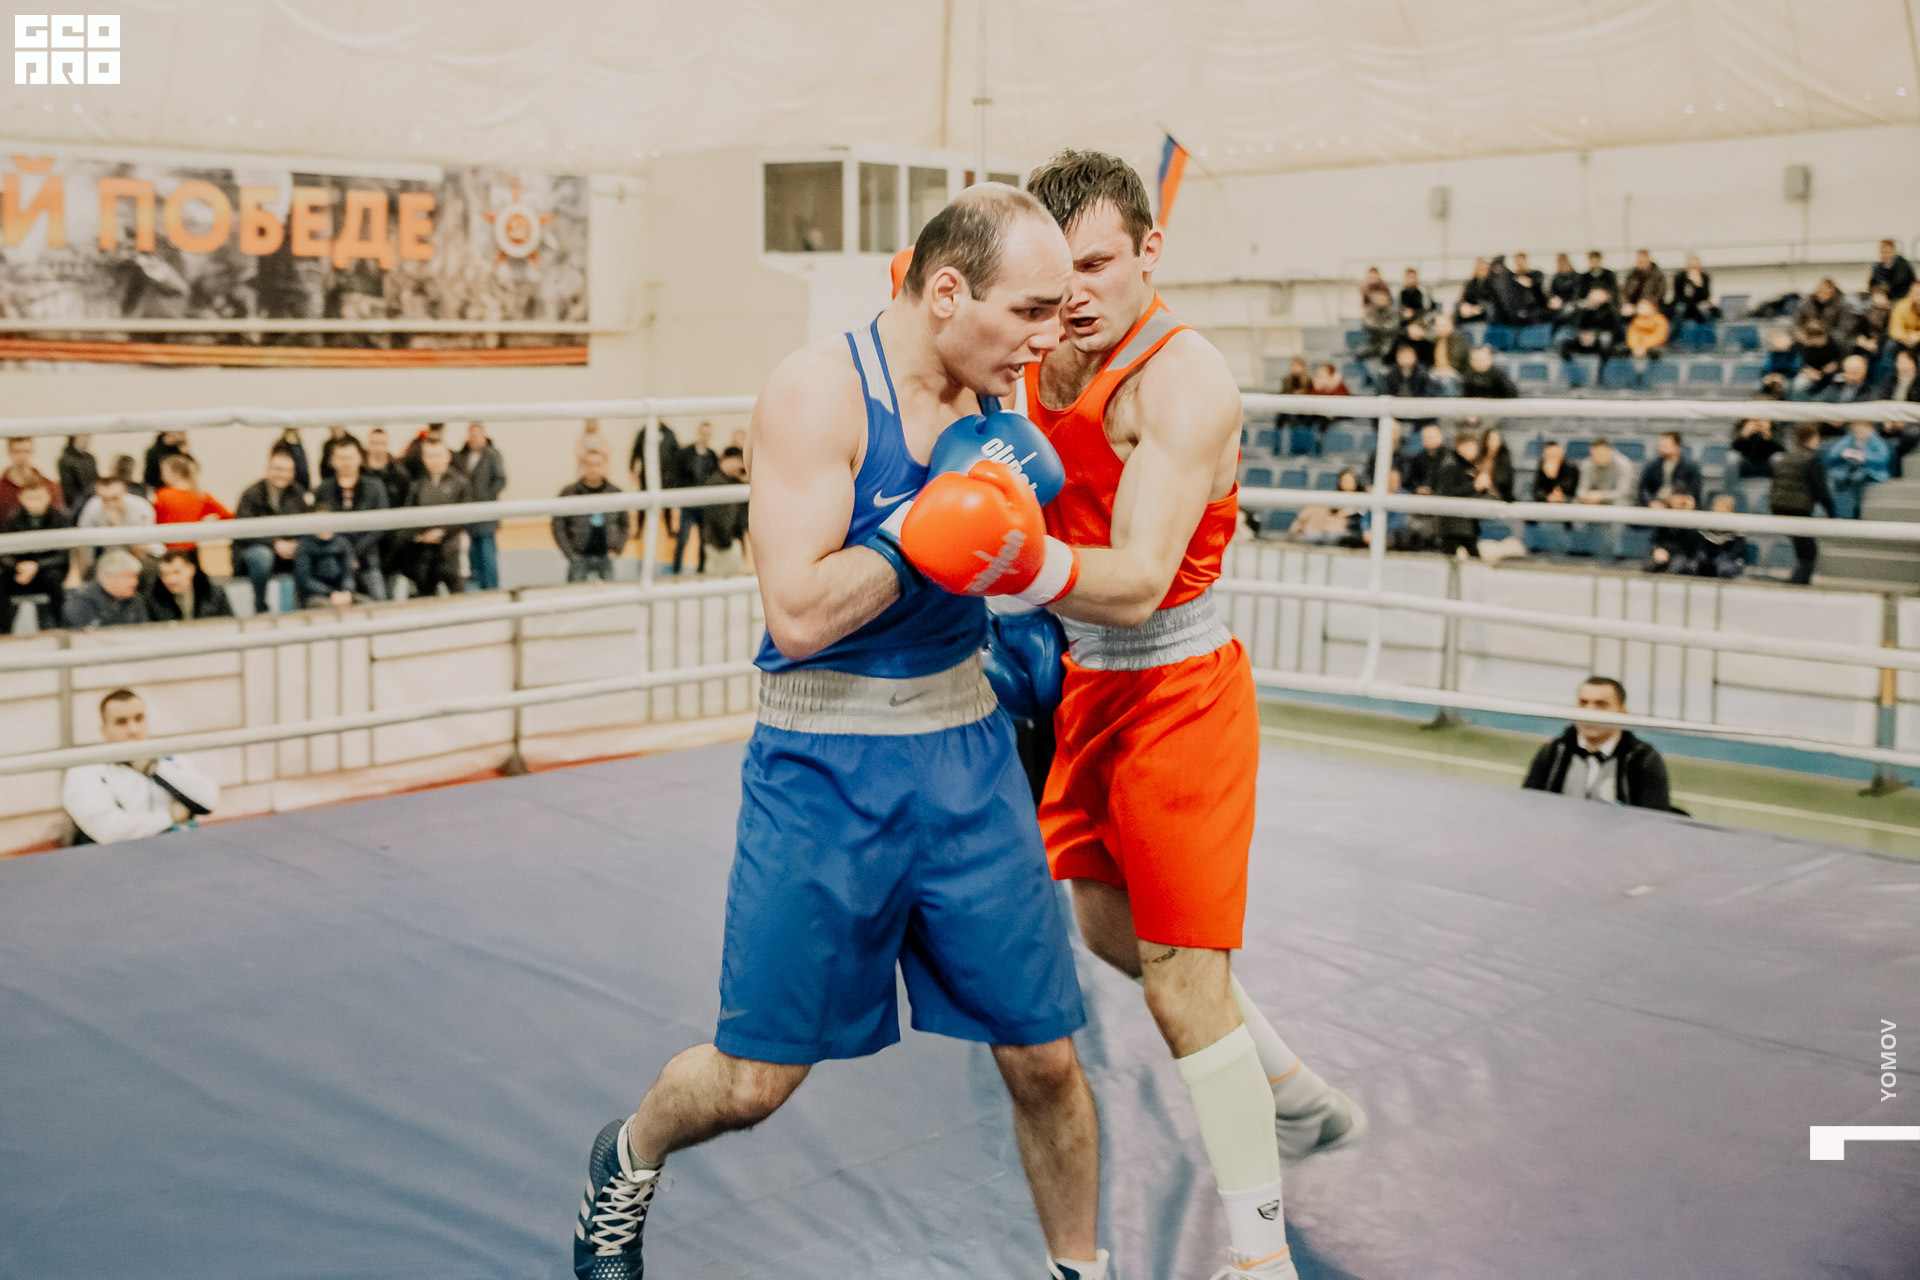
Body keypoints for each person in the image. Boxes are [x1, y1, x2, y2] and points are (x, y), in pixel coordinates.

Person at [572, 183, 1105, 1280]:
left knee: (1046, 1059)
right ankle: (628, 1157)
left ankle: (1080, 1269)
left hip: (967, 755)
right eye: (1030, 310)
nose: (1049, 338)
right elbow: (801, 615)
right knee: (753, 1083)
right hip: (824, 769)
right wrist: (924, 528)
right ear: (947, 291)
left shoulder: (998, 392)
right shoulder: (817, 394)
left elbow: (1012, 556)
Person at [1014, 150, 1363, 1280]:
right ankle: (1291, 1092)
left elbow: (1138, 581)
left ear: (1149, 251)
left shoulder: (1183, 380)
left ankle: (1262, 1259)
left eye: (1099, 265)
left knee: (1179, 982)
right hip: (1087, 683)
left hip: (1177, 687)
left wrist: (1003, 562)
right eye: (1057, 273)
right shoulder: (1037, 351)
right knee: (1106, 930)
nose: (1076, 295)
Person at [61, 688, 219, 844]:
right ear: (104, 729)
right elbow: (108, 830)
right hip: (119, 857)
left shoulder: (166, 759)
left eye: (139, 719)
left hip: (175, 851)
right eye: (121, 722)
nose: (133, 729)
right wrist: (170, 817)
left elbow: (209, 799)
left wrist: (153, 768)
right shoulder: (84, 770)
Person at [1521, 676, 1673, 810]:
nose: (1590, 711)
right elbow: (1528, 805)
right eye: (1583, 703)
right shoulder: (1554, 752)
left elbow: (1653, 820)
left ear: (1622, 711)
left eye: (1601, 705)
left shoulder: (1644, 760)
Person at [313, 436, 392, 600]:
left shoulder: (375, 487)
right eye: (341, 458)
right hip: (332, 557)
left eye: (350, 457)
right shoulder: (323, 489)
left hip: (367, 557)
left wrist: (354, 551)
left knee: (381, 601)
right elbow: (320, 525)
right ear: (332, 461)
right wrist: (343, 551)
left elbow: (381, 525)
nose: (346, 463)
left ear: (360, 459)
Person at [232, 450, 310, 613]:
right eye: (278, 469)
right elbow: (243, 530)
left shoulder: (298, 494)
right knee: (262, 556)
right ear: (268, 469)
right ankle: (261, 606)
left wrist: (296, 544)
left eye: (287, 470)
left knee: (309, 550)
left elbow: (307, 524)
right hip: (254, 551)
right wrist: (274, 544)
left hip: (289, 550)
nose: (282, 474)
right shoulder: (251, 494)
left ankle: (305, 604)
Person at [398, 437, 469, 597]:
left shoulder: (460, 483)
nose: (435, 460)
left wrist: (442, 532)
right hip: (424, 552)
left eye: (438, 455)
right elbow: (409, 514)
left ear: (447, 456)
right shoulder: (417, 485)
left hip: (452, 550)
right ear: (424, 459)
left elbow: (466, 516)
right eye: (430, 456)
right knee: (425, 596)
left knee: (457, 594)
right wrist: (420, 535)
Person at [2, 474, 70, 632]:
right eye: (30, 498)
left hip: (48, 570)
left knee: (54, 579)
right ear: (21, 498)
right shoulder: (13, 519)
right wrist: (18, 567)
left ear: (48, 496)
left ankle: (61, 628)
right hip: (19, 572)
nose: (34, 503)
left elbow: (63, 555)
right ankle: (4, 631)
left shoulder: (59, 519)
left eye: (38, 498)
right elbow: (5, 552)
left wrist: (37, 566)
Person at [552, 447, 630, 582]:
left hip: (606, 556)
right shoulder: (569, 493)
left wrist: (617, 548)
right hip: (578, 556)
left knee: (610, 591)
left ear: (605, 467)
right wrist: (570, 553)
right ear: (581, 467)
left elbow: (624, 524)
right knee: (576, 591)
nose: (593, 469)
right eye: (588, 464)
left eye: (598, 464)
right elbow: (558, 525)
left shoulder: (616, 493)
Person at [1770, 421, 1832, 584]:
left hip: (1778, 506)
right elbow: (1820, 489)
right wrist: (1831, 511)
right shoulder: (1811, 459)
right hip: (1798, 508)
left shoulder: (1785, 457)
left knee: (1803, 549)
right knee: (1809, 552)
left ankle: (1796, 581)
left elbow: (1775, 484)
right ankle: (1797, 585)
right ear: (1812, 437)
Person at [73, 475, 160, 578]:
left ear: (124, 492)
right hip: (111, 558)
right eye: (105, 499)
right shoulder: (93, 506)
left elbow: (141, 552)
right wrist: (78, 574)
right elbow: (82, 545)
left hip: (146, 556)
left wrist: (118, 526)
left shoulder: (141, 508)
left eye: (115, 498)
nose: (111, 504)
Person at [454, 421, 506, 591]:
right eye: (472, 435)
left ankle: (492, 588)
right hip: (468, 514)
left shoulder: (492, 456)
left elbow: (501, 479)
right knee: (472, 555)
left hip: (486, 514)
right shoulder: (462, 457)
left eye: (478, 435)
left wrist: (486, 499)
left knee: (487, 553)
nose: (474, 438)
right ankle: (477, 588)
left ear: (484, 436)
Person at [151, 454, 232, 557]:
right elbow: (228, 515)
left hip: (168, 551)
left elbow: (151, 520)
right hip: (192, 550)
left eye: (164, 473)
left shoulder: (162, 496)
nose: (161, 477)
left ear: (174, 473)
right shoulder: (201, 495)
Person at [673, 420, 721, 574]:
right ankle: (676, 570)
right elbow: (678, 476)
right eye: (704, 433)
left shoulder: (712, 456)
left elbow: (715, 478)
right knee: (683, 538)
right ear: (699, 433)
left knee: (704, 540)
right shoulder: (686, 453)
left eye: (709, 434)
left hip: (705, 503)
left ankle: (700, 570)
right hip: (688, 502)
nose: (706, 437)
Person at [1576, 437, 1635, 562]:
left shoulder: (1624, 464)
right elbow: (1581, 491)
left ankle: (1614, 554)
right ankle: (1581, 552)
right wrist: (1588, 497)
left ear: (1609, 451)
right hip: (1595, 503)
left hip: (1616, 502)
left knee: (1620, 506)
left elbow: (1624, 492)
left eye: (1601, 454)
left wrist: (1601, 496)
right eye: (1594, 454)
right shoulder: (1587, 464)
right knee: (1576, 504)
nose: (1597, 458)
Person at [62, 549, 153, 628]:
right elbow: (85, 632)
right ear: (110, 576)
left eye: (135, 577)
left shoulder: (135, 599)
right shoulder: (81, 599)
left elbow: (143, 629)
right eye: (129, 577)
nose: (135, 582)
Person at [1433, 429, 1488, 556]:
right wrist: (1474, 487)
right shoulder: (1450, 465)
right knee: (1464, 558)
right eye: (1472, 446)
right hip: (1454, 525)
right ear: (1461, 446)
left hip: (1464, 523)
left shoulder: (1465, 465)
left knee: (1463, 558)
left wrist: (1481, 487)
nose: (1475, 451)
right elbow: (1447, 493)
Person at [1822, 420, 1891, 519]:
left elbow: (1883, 458)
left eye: (1862, 426)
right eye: (1857, 426)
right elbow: (1831, 456)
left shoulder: (1877, 441)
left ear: (1870, 427)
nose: (1859, 429)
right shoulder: (1847, 439)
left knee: (1858, 477)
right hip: (1846, 477)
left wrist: (1864, 457)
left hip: (1870, 476)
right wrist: (1843, 454)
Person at [145, 547, 235, 622]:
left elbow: (229, 623)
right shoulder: (153, 600)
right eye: (165, 574)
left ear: (191, 569)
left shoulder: (214, 594)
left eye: (176, 572)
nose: (171, 580)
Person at [699, 446, 750, 577]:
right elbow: (717, 517)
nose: (740, 466)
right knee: (726, 579)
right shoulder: (716, 483)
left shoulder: (731, 482)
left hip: (727, 542)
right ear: (728, 460)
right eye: (738, 461)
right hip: (720, 544)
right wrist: (727, 542)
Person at [293, 518, 361, 608]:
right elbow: (305, 579)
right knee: (330, 608)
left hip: (342, 593)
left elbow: (349, 573)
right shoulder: (305, 545)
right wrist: (330, 593)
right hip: (316, 595)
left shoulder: (342, 542)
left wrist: (346, 590)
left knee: (367, 603)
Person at [1, 436, 65, 527]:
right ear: (9, 452)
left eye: (26, 451)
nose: (22, 456)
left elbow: (59, 517)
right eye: (17, 451)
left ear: (33, 452)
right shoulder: (1, 489)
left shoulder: (50, 486)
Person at [1287, 470, 1361, 546]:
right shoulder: (1333, 498)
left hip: (1342, 533)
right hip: (1322, 531)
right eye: (1344, 481)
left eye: (1350, 481)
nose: (1347, 484)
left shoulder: (1361, 500)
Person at [1529, 439, 1577, 555]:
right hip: (1545, 503)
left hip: (1566, 502)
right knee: (1530, 513)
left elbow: (1570, 488)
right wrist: (1548, 497)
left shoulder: (1571, 467)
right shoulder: (1541, 467)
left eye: (1555, 454)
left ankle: (1568, 549)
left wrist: (1554, 479)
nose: (1552, 457)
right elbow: (1536, 491)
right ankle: (1536, 548)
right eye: (1549, 454)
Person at [1637, 432, 1702, 507]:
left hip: (1680, 506)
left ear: (1677, 446)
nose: (1661, 448)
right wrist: (1651, 502)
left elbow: (1695, 491)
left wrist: (1684, 500)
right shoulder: (1652, 466)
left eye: (1666, 445)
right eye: (1661, 445)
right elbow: (1644, 490)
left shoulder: (1690, 467)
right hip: (1657, 504)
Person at [1560, 287, 1621, 362]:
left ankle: (1603, 364)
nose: (1594, 300)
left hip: (1598, 339)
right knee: (1563, 337)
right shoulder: (1582, 309)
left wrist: (1595, 334)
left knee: (1606, 338)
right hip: (1582, 337)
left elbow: (1613, 328)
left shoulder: (1610, 311)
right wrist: (1581, 334)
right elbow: (1576, 324)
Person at [58, 435, 99, 515]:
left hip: (92, 497)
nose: (86, 439)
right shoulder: (65, 459)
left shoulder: (90, 458)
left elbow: (96, 479)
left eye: (88, 436)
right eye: (84, 436)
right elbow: (68, 487)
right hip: (76, 502)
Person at [1619, 249, 1667, 317]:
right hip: (1635, 305)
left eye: (1642, 262)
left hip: (1652, 305)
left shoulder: (1657, 275)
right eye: (1639, 262)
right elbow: (1625, 292)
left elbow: (1660, 293)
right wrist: (1626, 303)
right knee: (1624, 311)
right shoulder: (1632, 275)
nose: (1640, 264)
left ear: (1648, 261)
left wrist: (1647, 302)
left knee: (1643, 310)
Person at [1671, 254, 1715, 324]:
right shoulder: (1680, 276)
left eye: (1695, 266)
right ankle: (1675, 330)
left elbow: (1706, 296)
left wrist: (1698, 284)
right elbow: (1678, 295)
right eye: (1691, 266)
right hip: (1684, 302)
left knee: (1707, 312)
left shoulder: (1704, 277)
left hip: (1699, 302)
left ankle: (1707, 330)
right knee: (1679, 309)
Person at [1870, 238, 1915, 303]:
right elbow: (1872, 285)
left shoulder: (1903, 265)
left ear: (1894, 252)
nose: (1884, 255)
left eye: (1887, 252)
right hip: (1885, 298)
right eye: (1882, 252)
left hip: (1903, 297)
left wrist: (1883, 291)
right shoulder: (1877, 267)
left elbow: (1898, 284)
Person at [1546, 253, 1583, 321]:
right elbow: (1552, 291)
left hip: (1572, 302)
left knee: (1568, 309)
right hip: (1559, 302)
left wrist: (1563, 301)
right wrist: (1554, 299)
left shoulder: (1576, 276)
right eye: (1559, 263)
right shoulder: (1556, 277)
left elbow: (1577, 293)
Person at [1455, 256, 1493, 322]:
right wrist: (1463, 307)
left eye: (1484, 269)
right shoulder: (1470, 283)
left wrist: (1476, 309)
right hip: (1469, 318)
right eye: (1479, 269)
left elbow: (1491, 305)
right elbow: (1463, 299)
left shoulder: (1491, 285)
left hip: (1484, 319)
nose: (1481, 272)